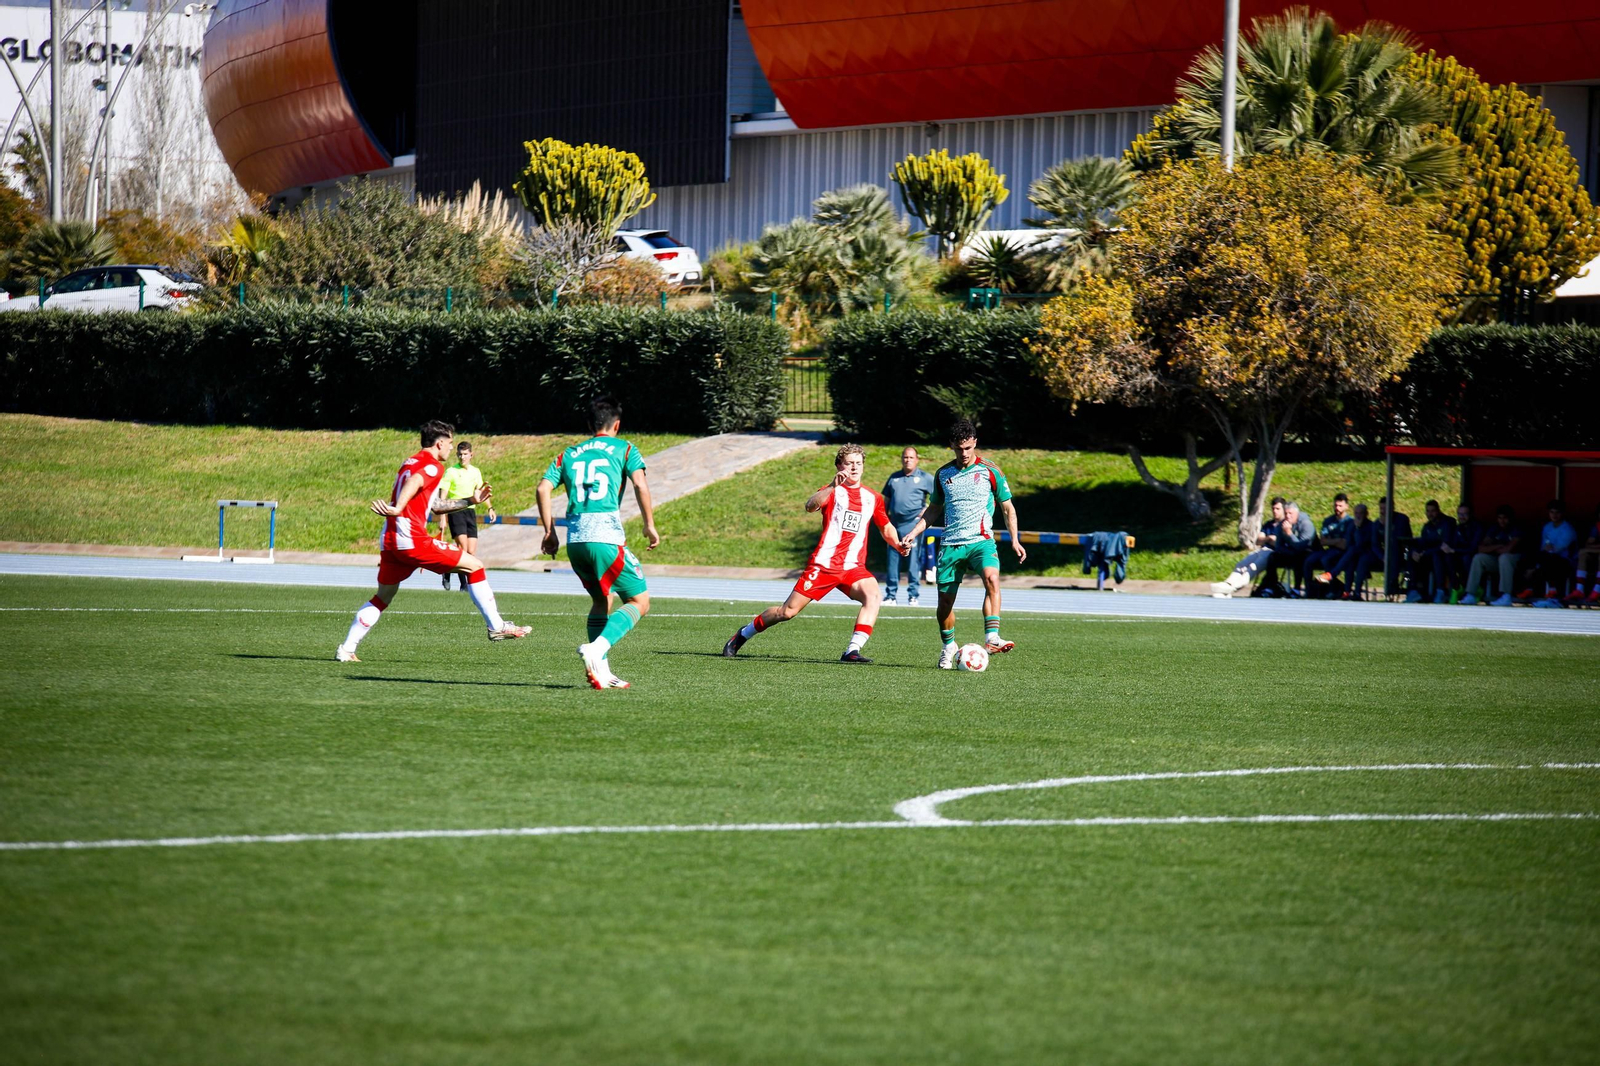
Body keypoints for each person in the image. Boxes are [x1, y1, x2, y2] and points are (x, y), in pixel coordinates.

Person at [336, 420, 531, 662]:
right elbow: (416, 481)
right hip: (412, 539)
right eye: (450, 443)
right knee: (475, 566)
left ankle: (347, 649)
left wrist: (470, 500)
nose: (451, 448)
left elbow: (436, 506)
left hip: (390, 540)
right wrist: (398, 507)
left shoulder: (409, 461)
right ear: (439, 443)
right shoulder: (432, 466)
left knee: (383, 597)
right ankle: (497, 626)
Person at [721, 443, 907, 663]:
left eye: (858, 463)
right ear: (839, 466)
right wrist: (831, 486)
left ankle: (852, 651)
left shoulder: (872, 498)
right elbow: (810, 506)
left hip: (852, 567)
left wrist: (898, 544)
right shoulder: (831, 491)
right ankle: (743, 634)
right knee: (786, 612)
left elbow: (885, 527)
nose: (854, 468)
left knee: (873, 595)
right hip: (824, 565)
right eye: (849, 463)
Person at [538, 395, 661, 690]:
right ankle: (597, 649)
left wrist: (549, 532)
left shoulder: (569, 454)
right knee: (639, 601)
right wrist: (649, 525)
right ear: (616, 425)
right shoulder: (625, 448)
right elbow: (640, 484)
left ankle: (601, 671)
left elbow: (543, 488)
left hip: (576, 540)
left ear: (590, 424)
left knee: (602, 600)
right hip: (605, 537)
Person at [901, 419, 1025, 668]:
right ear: (952, 446)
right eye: (959, 449)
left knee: (992, 578)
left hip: (981, 541)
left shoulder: (991, 471)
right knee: (945, 603)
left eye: (968, 448)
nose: (964, 453)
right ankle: (949, 646)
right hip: (951, 545)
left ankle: (992, 637)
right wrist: (913, 533)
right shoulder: (943, 474)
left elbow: (1007, 508)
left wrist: (1015, 539)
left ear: (975, 443)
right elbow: (933, 509)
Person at [436, 440, 496, 590]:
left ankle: (447, 569)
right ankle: (464, 585)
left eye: (465, 454)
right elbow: (442, 497)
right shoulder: (451, 471)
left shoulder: (475, 472)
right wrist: (442, 517)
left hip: (470, 511)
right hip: (455, 511)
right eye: (460, 454)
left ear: (471, 455)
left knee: (471, 552)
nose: (462, 457)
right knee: (462, 548)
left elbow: (481, 493)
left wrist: (490, 508)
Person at [881, 446, 935, 605]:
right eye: (905, 457)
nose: (908, 460)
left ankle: (913, 595)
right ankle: (891, 595)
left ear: (917, 460)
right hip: (894, 525)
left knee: (913, 560)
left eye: (911, 457)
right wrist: (883, 520)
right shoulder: (894, 478)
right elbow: (886, 501)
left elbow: (938, 498)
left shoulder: (925, 478)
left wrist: (926, 510)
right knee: (892, 560)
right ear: (901, 459)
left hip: (913, 525)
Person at [1209, 497, 1287, 598]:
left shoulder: (1285, 525)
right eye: (1273, 508)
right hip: (1262, 550)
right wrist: (1269, 538)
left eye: (1278, 509)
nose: (1275, 511)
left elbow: (1279, 543)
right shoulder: (1269, 524)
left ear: (1283, 509)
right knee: (1241, 564)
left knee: (1253, 567)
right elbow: (1258, 540)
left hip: (1273, 553)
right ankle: (1227, 584)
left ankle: (1232, 588)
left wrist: (1268, 539)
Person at [1521, 499, 1578, 607]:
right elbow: (1544, 547)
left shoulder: (1568, 529)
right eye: (1552, 512)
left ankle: (1551, 593)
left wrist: (1549, 549)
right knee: (1535, 558)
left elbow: (1557, 549)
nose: (1554, 515)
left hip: (1566, 562)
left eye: (1557, 512)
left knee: (1549, 561)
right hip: (1547, 558)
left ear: (1562, 513)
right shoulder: (1547, 527)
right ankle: (1536, 590)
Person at [1462, 505, 1522, 606]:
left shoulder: (1516, 528)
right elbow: (1481, 548)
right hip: (1498, 560)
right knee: (1478, 558)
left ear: (1510, 518)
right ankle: (1471, 594)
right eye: (1500, 518)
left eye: (1505, 518)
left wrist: (1493, 548)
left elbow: (1507, 550)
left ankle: (1506, 596)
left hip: (1516, 561)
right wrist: (1497, 546)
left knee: (1504, 557)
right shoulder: (1494, 529)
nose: (1502, 521)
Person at [1405, 499, 1458, 603]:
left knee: (1436, 555)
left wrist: (1425, 553)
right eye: (1428, 511)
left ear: (1438, 511)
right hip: (1428, 555)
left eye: (1433, 511)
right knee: (1412, 555)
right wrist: (1415, 552)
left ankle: (1441, 591)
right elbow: (1422, 542)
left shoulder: (1448, 523)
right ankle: (1414, 590)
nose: (1430, 514)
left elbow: (1445, 545)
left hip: (1445, 556)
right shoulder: (1427, 527)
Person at [1260, 500, 1315, 596]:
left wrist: (1289, 533)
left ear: (1297, 513)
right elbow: (1278, 546)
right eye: (1286, 513)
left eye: (1290, 513)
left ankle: (1297, 588)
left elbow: (1301, 546)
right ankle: (1272, 585)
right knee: (1273, 557)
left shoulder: (1306, 524)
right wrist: (1288, 551)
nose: (1288, 516)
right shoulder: (1282, 524)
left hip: (1308, 552)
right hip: (1292, 552)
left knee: (1299, 556)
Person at [1303, 493, 1353, 597]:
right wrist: (1337, 540)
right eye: (1335, 505)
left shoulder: (1350, 522)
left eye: (1340, 506)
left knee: (1325, 559)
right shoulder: (1329, 521)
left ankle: (1333, 589)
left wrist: (1331, 540)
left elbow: (1344, 544)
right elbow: (1322, 541)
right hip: (1330, 550)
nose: (1337, 508)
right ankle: (1309, 591)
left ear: (1346, 506)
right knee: (1309, 560)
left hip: (1344, 553)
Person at [1327, 502, 1380, 599]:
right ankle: (1347, 592)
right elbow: (1348, 542)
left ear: (1366, 514)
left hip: (1368, 553)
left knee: (1360, 559)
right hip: (1354, 554)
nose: (1358, 516)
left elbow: (1364, 544)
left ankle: (1354, 590)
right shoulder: (1352, 525)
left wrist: (1358, 529)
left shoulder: (1371, 526)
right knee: (1350, 561)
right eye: (1356, 513)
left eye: (1360, 513)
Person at [1440, 502, 1483, 600]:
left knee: (1467, 558)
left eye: (1464, 514)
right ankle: (1456, 587)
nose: (1461, 517)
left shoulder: (1477, 527)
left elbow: (1473, 548)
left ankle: (1474, 588)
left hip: (1473, 557)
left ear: (1471, 514)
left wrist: (1453, 550)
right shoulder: (1458, 528)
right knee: (1447, 557)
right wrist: (1446, 547)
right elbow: (1453, 544)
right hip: (1460, 555)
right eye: (1459, 514)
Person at [1565, 509, 1600, 606]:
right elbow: (1588, 544)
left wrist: (1594, 547)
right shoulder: (1596, 527)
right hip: (1595, 556)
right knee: (1583, 554)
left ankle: (1597, 590)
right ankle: (1579, 589)